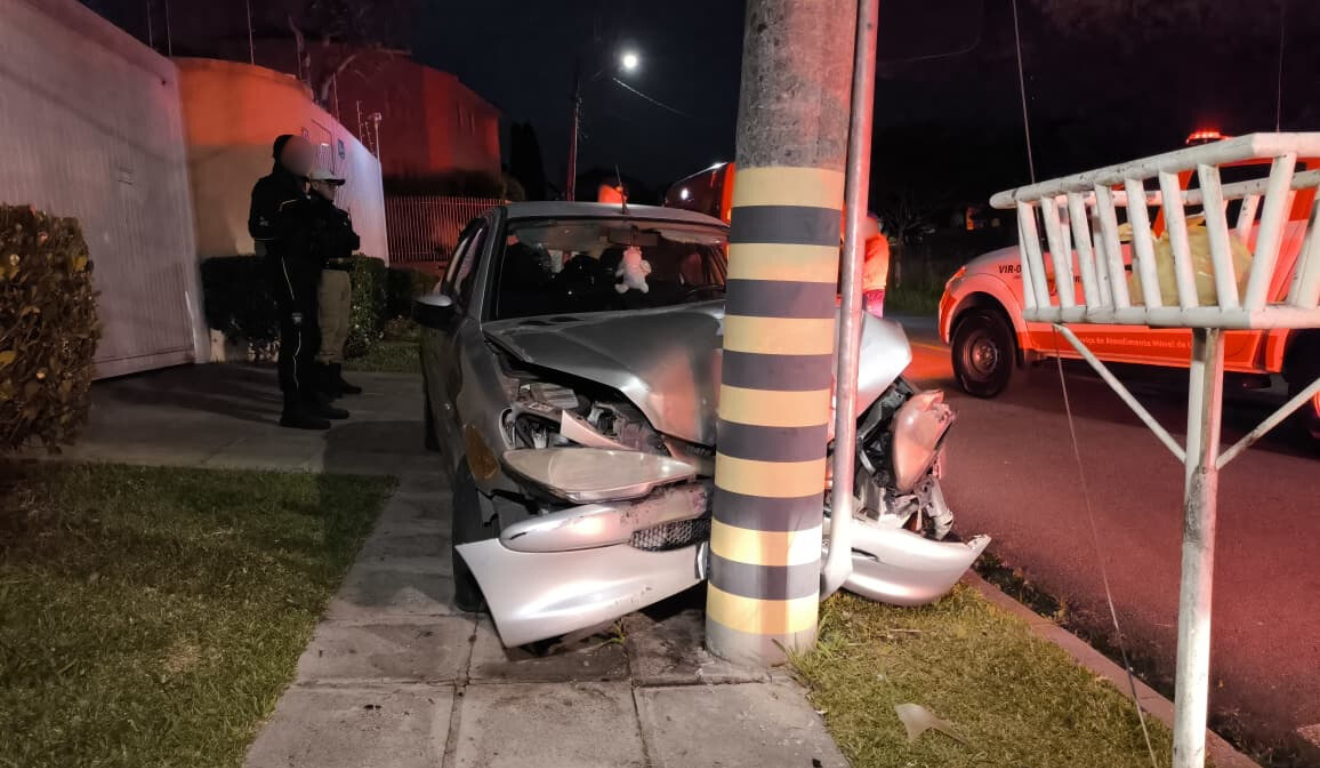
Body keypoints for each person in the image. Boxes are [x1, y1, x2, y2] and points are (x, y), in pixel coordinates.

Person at [248, 135, 349, 429]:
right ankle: (293, 407)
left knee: (311, 337)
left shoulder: (301, 191)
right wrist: (296, 220)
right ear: (281, 155)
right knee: (297, 340)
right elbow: (260, 229)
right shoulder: (270, 188)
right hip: (287, 272)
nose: (305, 159)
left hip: (306, 273)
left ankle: (309, 397)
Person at [307, 167, 363, 398]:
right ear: (315, 184)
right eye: (329, 184)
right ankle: (322, 380)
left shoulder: (337, 214)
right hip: (326, 272)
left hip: (341, 272)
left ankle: (334, 377)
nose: (333, 188)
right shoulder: (311, 211)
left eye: (335, 185)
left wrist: (338, 238)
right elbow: (324, 243)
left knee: (341, 328)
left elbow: (354, 242)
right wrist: (338, 238)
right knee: (328, 327)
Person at [861, 213, 890, 317]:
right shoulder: (875, 240)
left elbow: (870, 266)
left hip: (870, 289)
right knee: (869, 323)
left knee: (870, 323)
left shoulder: (876, 241)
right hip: (871, 288)